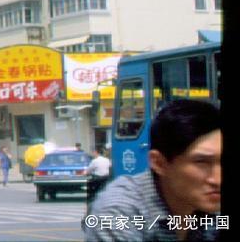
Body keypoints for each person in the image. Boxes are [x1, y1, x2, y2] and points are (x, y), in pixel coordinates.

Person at [86, 99, 221, 241]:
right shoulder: (118, 213)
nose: (217, 180)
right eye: (201, 162)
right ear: (159, 163)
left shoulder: (210, 206)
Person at [85, 145, 111, 210]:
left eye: (93, 152)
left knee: (89, 188)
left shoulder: (94, 161)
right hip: (106, 178)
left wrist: (85, 173)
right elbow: (110, 167)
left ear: (96, 152)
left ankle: (91, 201)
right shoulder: (107, 160)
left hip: (97, 179)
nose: (93, 154)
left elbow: (88, 171)